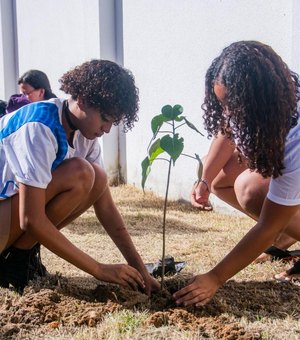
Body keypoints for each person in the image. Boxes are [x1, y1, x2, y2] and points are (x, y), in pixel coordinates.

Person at [0, 59, 159, 294]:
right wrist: (99, 269)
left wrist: (140, 269)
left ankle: (17, 259)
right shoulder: (39, 126)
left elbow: (105, 206)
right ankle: (13, 259)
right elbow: (30, 219)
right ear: (82, 99)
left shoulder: (85, 134)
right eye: (105, 118)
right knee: (81, 172)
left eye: (113, 123)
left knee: (95, 177)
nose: (107, 129)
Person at [173, 41, 300, 306]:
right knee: (223, 178)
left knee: (251, 190)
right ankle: (291, 234)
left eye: (232, 105)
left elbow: (267, 225)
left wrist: (215, 277)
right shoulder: (260, 103)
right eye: (223, 105)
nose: (228, 113)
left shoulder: (296, 136)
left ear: (257, 100)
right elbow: (228, 131)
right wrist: (205, 179)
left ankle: (289, 230)